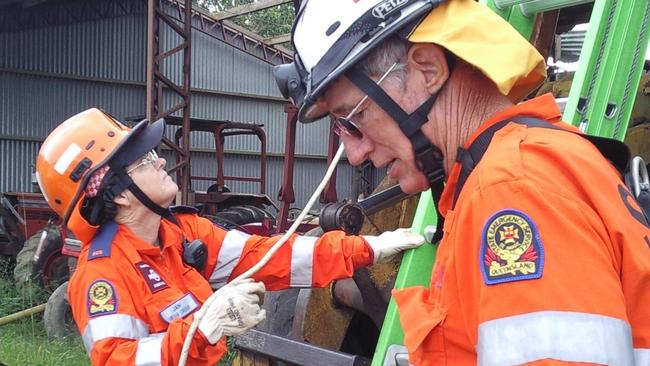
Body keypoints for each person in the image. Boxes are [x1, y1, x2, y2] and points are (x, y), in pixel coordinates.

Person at [274, 0, 650, 364]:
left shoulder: (513, 189)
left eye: (352, 119)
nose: (355, 155)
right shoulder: (516, 169)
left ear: (427, 70)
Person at [35, 108, 425, 365]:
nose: (160, 160)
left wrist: (368, 248)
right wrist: (203, 327)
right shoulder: (103, 274)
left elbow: (267, 256)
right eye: (144, 161)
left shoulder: (179, 234)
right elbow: (118, 359)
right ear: (118, 193)